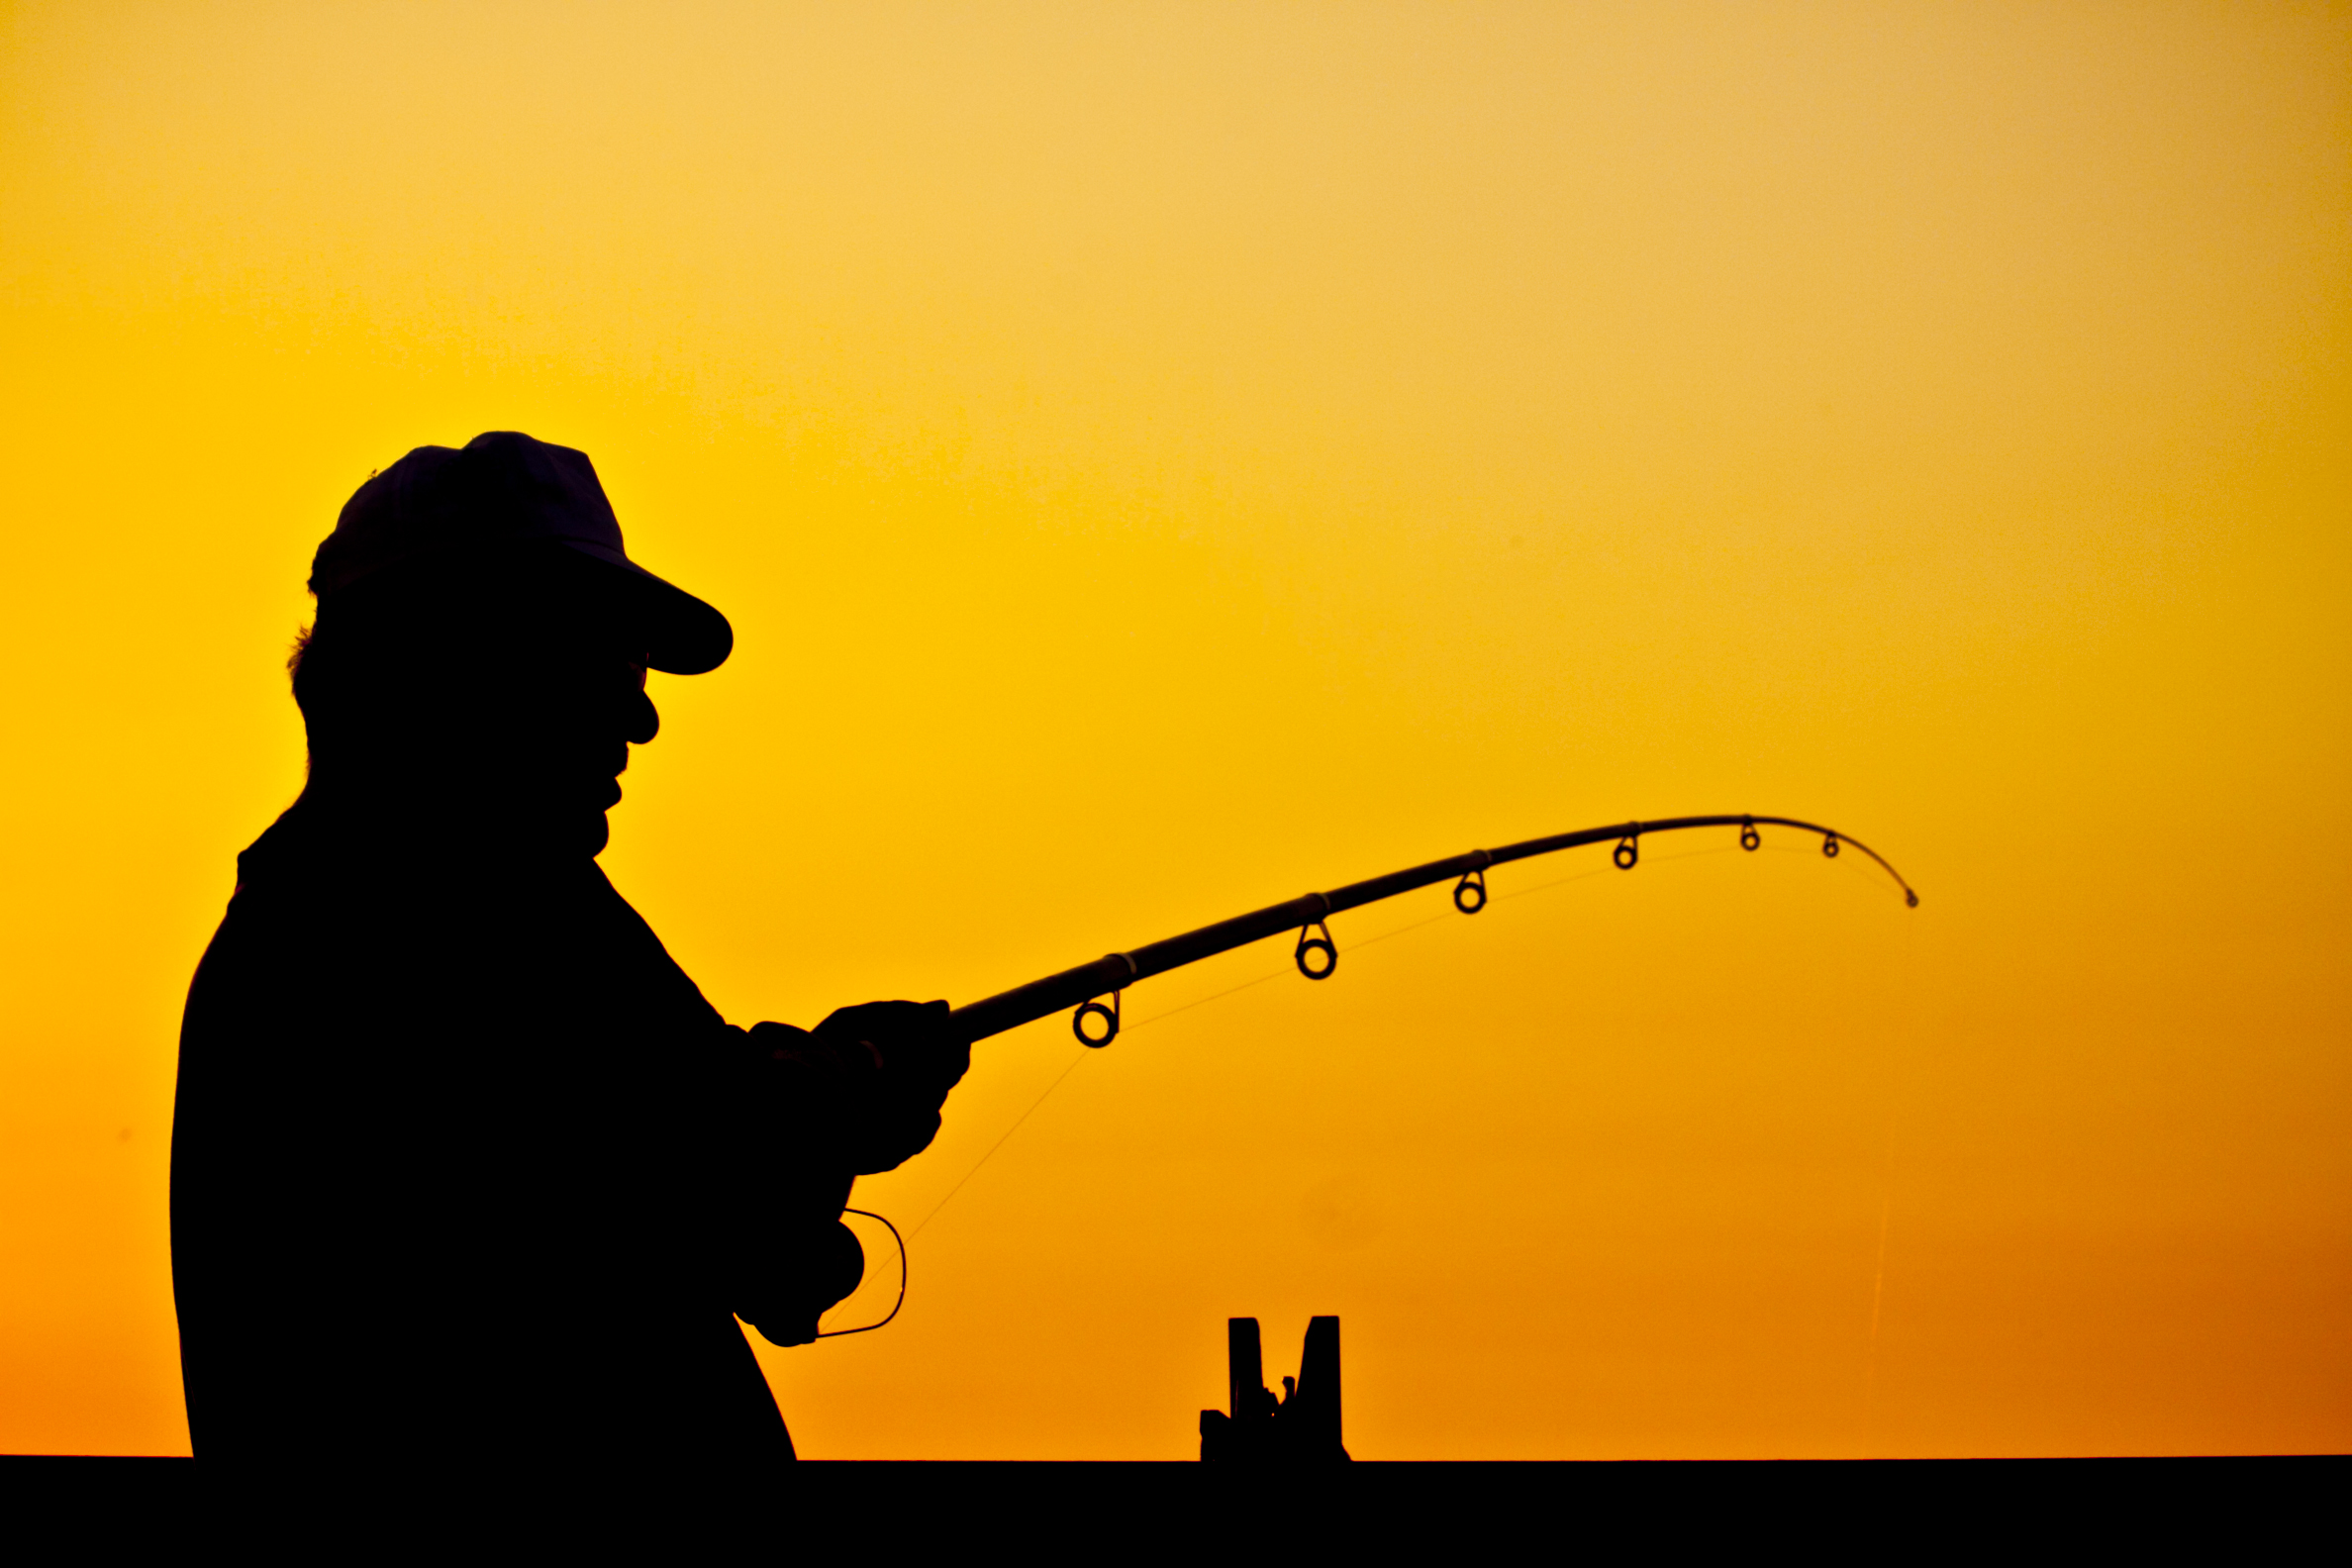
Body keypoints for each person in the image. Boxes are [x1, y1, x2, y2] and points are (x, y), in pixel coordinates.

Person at [170, 432, 967, 1492]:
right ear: (453, 667)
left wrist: (808, 1096)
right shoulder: (471, 924)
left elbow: (684, 1175)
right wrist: (851, 1083)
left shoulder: (340, 923)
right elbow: (726, 1166)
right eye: (592, 664)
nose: (638, 716)